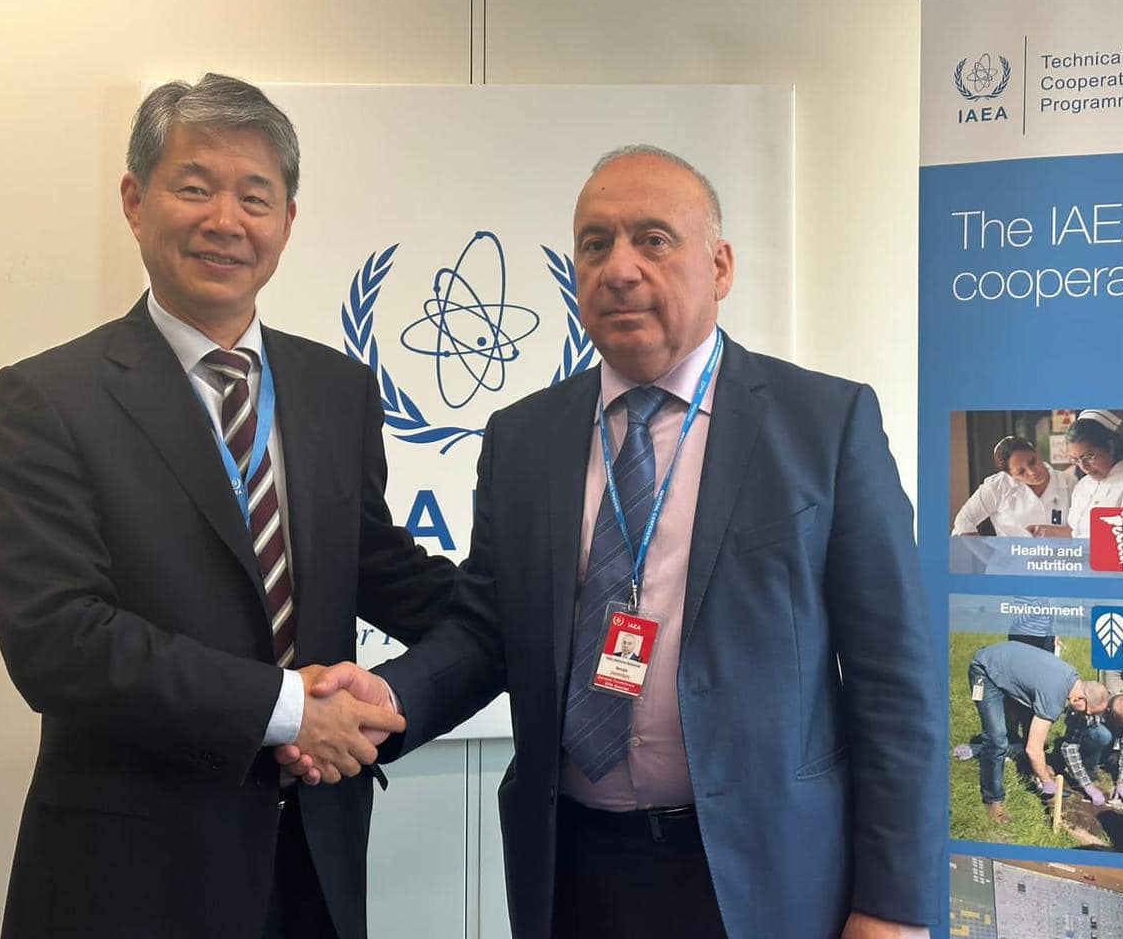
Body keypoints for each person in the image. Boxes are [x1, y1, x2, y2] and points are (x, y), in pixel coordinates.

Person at [287, 146, 941, 938]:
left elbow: (893, 682)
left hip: (764, 874)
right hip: (575, 869)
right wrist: (386, 700)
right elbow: (486, 630)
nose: (620, 269)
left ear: (721, 266)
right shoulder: (523, 437)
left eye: (653, 240)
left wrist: (893, 906)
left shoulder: (824, 426)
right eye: (595, 245)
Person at [0, 74, 454, 939]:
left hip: (311, 862)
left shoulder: (337, 389)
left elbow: (383, 573)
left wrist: (543, 612)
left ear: (288, 221)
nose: (225, 221)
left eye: (255, 197)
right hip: (131, 878)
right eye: (195, 188)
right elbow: (56, 638)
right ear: (135, 202)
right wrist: (288, 708)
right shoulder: (52, 399)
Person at [967, 641, 1109, 824]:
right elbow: (1033, 749)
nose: (1085, 716)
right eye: (1086, 712)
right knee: (996, 739)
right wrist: (1047, 782)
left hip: (1006, 661)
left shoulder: (1073, 679)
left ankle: (1032, 769)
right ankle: (993, 799)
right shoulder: (1054, 696)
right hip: (985, 670)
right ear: (1079, 699)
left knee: (1030, 723)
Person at [1028, 409, 1123, 539]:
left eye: (1088, 457)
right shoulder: (1083, 485)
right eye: (1075, 459)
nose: (1084, 467)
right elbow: (1077, 534)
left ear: (1110, 447)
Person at [952, 435, 1073, 536]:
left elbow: (1082, 531)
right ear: (1011, 475)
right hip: (1010, 557)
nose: (1032, 472)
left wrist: (1057, 532)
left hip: (1058, 557)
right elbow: (964, 521)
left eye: (1032, 461)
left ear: (1037, 452)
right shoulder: (998, 486)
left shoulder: (1068, 482)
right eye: (1021, 472)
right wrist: (984, 554)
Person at [1061, 693, 1123, 806]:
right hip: (1091, 736)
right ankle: (1089, 766)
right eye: (1122, 725)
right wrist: (1086, 784)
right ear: (1109, 712)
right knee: (1102, 735)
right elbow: (1069, 748)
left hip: (1112, 732)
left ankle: (1110, 756)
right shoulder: (1091, 710)